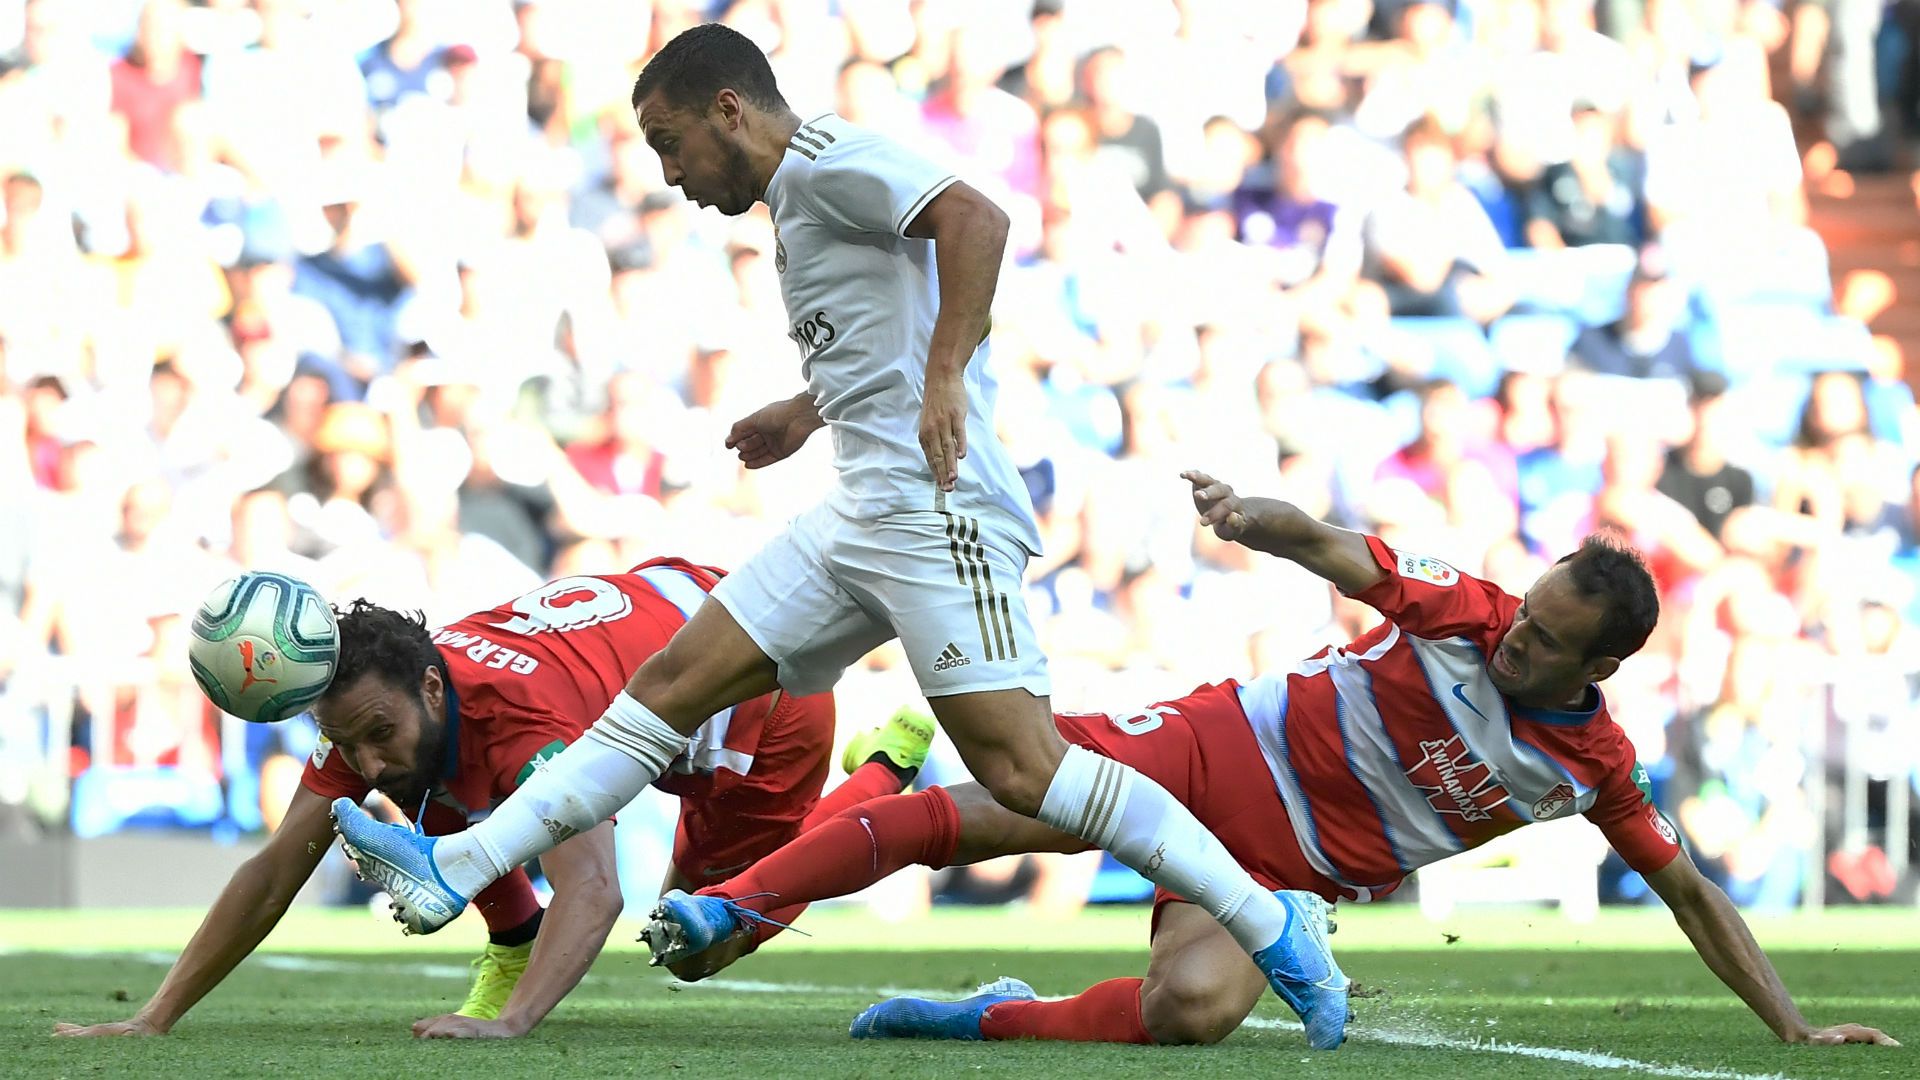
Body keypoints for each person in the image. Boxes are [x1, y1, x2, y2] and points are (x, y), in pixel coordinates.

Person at [328, 23, 1350, 1050]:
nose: (668, 170)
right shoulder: (798, 203)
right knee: (669, 687)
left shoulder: (827, 162)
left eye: (669, 139)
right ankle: (457, 864)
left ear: (730, 108)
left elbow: (978, 218)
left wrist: (948, 374)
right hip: (860, 510)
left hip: (938, 509)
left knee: (1026, 772)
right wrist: (807, 409)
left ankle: (1273, 921)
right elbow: (882, 332)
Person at [636, 470, 1899, 1052]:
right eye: (1527, 612)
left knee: (1191, 1016)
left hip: (1275, 876)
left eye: (1550, 640)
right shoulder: (1466, 608)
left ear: (1600, 671)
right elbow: (1342, 550)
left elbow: (1690, 891)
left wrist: (1787, 1023)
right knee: (993, 809)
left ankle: (981, 1017)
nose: (1518, 637)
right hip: (1210, 751)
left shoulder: (1597, 769)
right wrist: (1255, 517)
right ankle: (731, 904)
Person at [52, 558, 928, 1040]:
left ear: (433, 689)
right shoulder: (385, 700)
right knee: (423, 785)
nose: (360, 756)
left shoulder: (521, 726)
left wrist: (513, 1026)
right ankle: (510, 938)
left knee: (701, 941)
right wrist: (155, 1018)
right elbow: (276, 867)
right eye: (344, 740)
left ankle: (884, 769)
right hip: (660, 627)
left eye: (372, 732)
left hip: (755, 690)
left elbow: (594, 889)